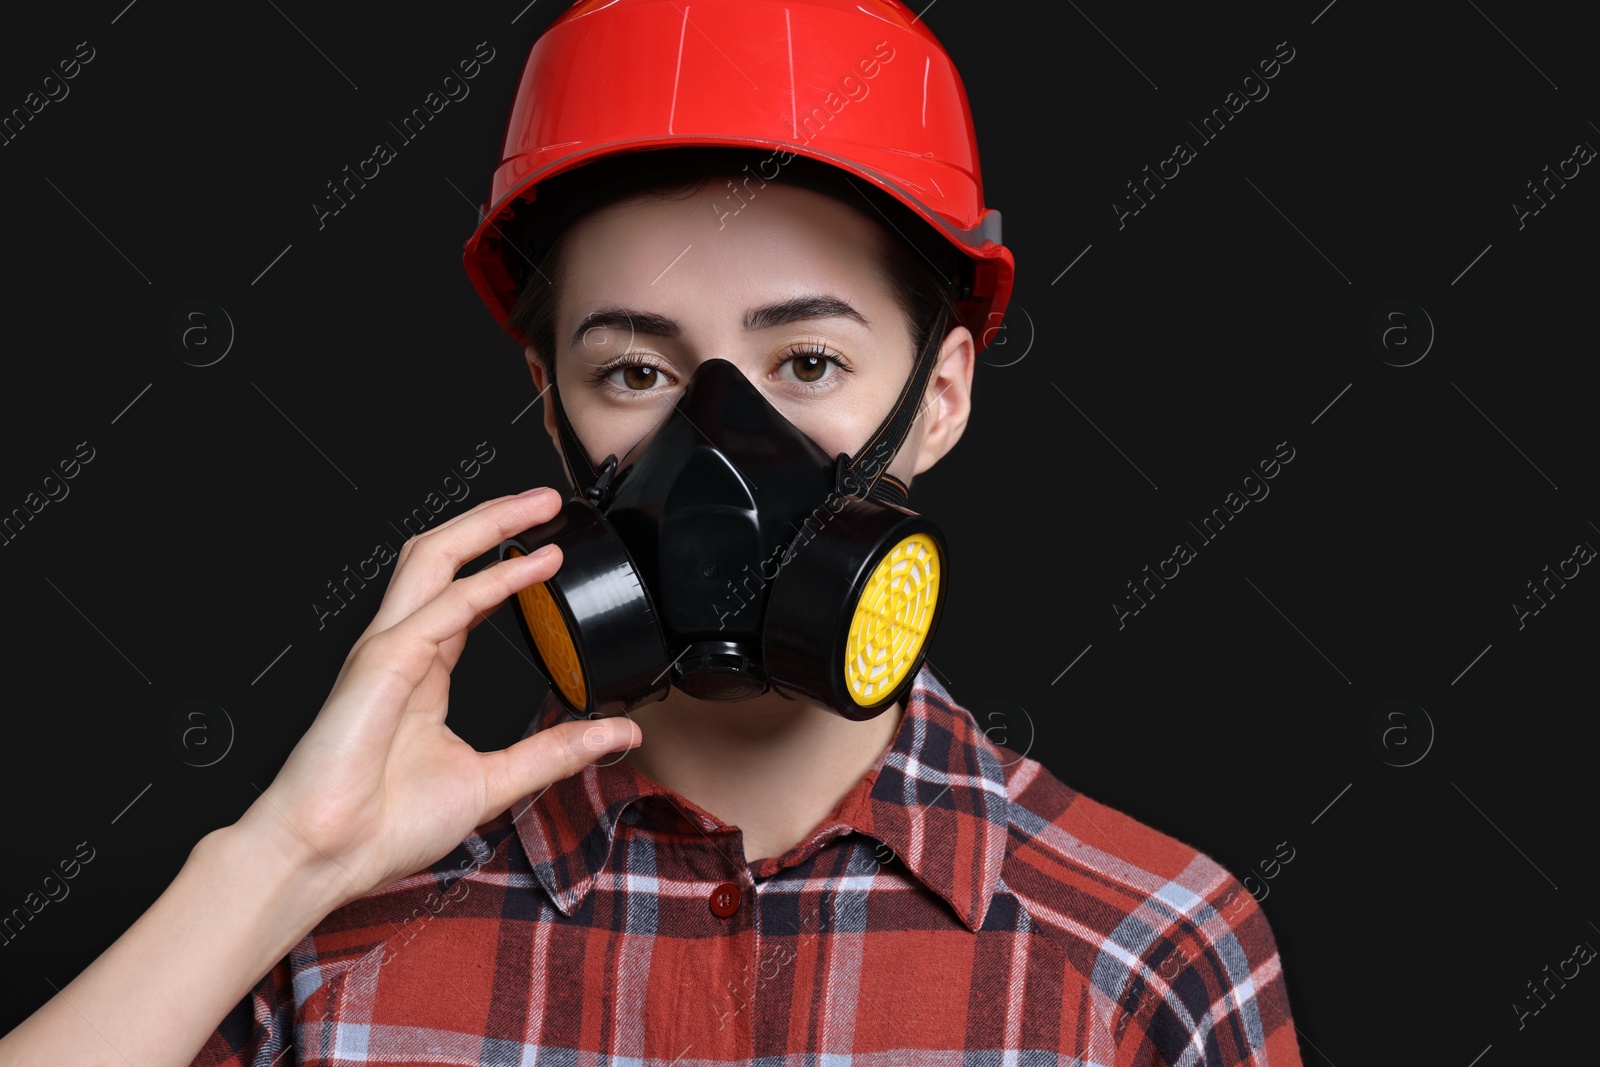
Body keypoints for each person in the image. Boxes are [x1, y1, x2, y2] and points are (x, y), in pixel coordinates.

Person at [0, 1, 1302, 1064]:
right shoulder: (332, 940)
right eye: (635, 374)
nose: (717, 442)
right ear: (549, 403)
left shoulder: (1146, 955)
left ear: (942, 394)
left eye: (805, 360)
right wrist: (283, 860)